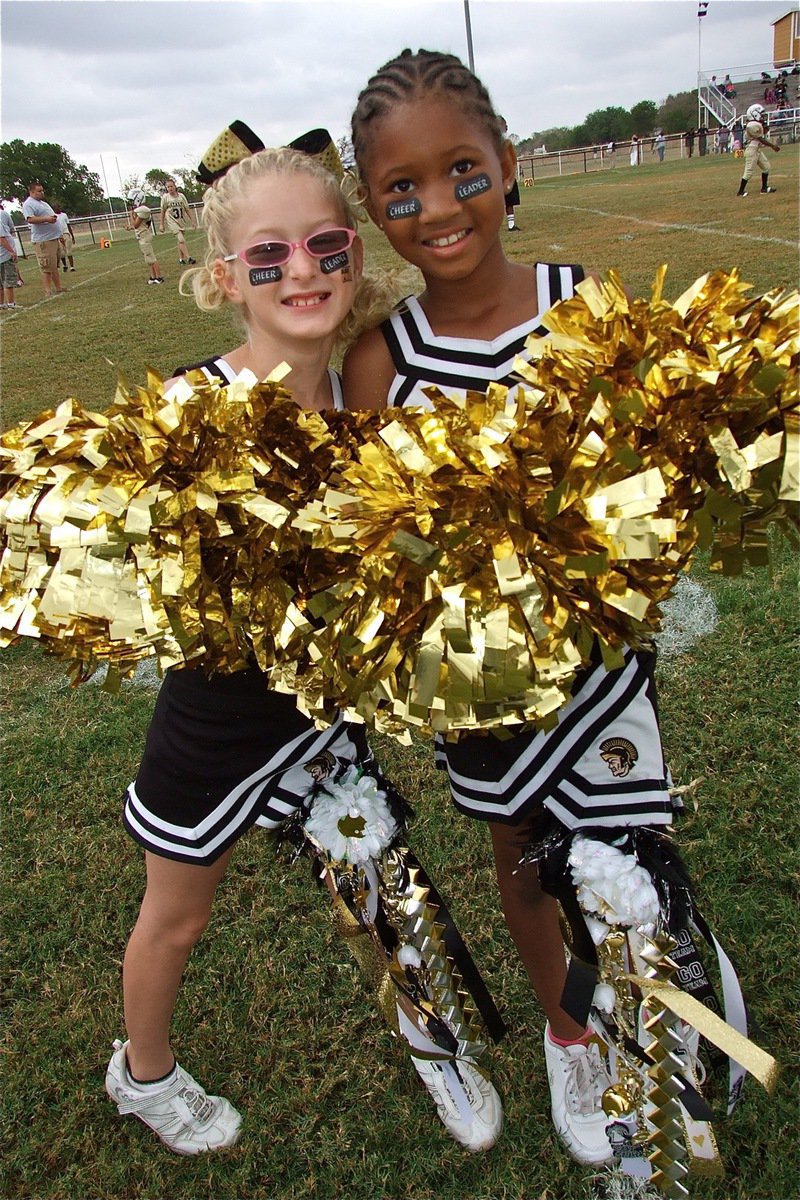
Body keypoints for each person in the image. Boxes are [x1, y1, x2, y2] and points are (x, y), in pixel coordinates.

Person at [105, 138, 502, 1157]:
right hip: (217, 726)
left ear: (355, 260)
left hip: (325, 711)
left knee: (373, 871)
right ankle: (142, 1075)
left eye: (326, 245)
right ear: (226, 278)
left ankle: (430, 1039)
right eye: (270, 255)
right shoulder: (192, 410)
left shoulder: (364, 400)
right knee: (175, 919)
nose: (304, 271)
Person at [344, 46, 686, 1170]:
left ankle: (657, 1026)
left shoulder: (579, 299)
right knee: (524, 845)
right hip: (477, 686)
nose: (437, 207)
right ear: (373, 204)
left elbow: (641, 477)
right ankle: (567, 1032)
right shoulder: (377, 362)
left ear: (507, 164)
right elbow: (373, 541)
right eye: (402, 189)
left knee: (632, 844)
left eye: (460, 171)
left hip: (599, 662)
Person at [21, 181, 64, 298]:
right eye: (39, 191)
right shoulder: (28, 204)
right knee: (46, 266)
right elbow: (30, 219)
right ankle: (47, 290)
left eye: (42, 190)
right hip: (43, 240)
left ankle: (59, 287)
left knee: (53, 265)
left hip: (53, 238)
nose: (42, 193)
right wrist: (47, 219)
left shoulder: (43, 203)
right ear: (31, 192)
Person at [736, 104, 780, 197]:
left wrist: (765, 129)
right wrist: (772, 146)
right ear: (754, 114)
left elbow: (760, 135)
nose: (763, 116)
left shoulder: (756, 124)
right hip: (751, 149)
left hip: (756, 149)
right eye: (761, 114)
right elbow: (760, 138)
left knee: (766, 167)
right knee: (748, 172)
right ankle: (740, 192)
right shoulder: (752, 125)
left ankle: (764, 188)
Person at [126, 190, 165, 285]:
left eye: (132, 200)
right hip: (142, 235)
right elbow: (138, 225)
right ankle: (152, 277)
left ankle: (158, 277)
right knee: (148, 259)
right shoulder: (140, 210)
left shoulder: (143, 210)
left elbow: (136, 224)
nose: (131, 203)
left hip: (145, 236)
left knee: (151, 257)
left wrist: (131, 215)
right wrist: (130, 227)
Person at [159, 177, 197, 264]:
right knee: (181, 239)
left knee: (180, 241)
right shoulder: (165, 198)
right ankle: (189, 258)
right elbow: (162, 210)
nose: (170, 188)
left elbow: (187, 209)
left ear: (175, 186)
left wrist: (193, 221)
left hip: (180, 221)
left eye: (171, 186)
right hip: (172, 221)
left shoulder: (181, 196)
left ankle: (181, 259)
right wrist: (161, 224)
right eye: (168, 187)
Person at [497, 117, 521, 230]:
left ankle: (511, 224)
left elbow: (513, 158)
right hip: (496, 178)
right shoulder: (492, 142)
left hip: (508, 177)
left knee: (510, 201)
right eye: (504, 124)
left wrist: (511, 174)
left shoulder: (507, 142)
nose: (506, 126)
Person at [0, 206, 20, 311]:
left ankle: (1, 304)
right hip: (4, 256)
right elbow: (2, 239)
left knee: (1, 282)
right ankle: (11, 303)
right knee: (8, 281)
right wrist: (11, 251)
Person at [53, 205, 76, 271]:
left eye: (59, 207)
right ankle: (65, 265)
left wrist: (72, 236)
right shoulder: (54, 216)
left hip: (66, 234)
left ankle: (72, 267)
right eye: (57, 208)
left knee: (69, 251)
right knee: (62, 253)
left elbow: (68, 225)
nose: (58, 209)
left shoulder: (64, 215)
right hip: (59, 235)